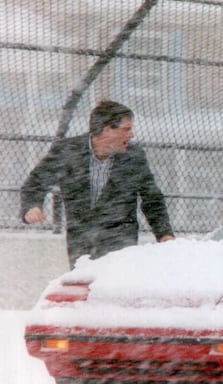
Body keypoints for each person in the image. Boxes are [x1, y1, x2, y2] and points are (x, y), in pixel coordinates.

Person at [20, 100, 175, 269]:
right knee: (84, 287)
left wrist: (164, 234)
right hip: (81, 238)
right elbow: (36, 181)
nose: (131, 135)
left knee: (116, 286)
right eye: (126, 129)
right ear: (107, 130)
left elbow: (151, 198)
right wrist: (32, 206)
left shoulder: (133, 157)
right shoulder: (68, 150)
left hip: (120, 239)